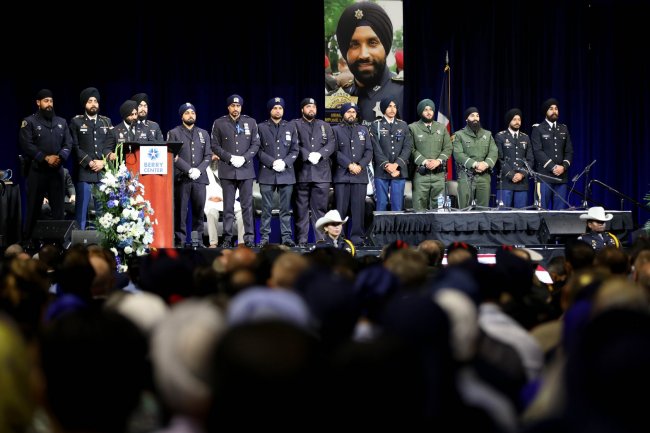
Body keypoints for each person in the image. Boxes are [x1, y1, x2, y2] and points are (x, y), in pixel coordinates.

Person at [335, 1, 402, 125]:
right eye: (354, 44)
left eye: (372, 43)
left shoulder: (403, 94)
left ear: (385, 48)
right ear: (345, 52)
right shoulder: (338, 96)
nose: (364, 54)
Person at [19, 89, 72, 240]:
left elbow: (68, 143)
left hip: (56, 171)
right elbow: (26, 144)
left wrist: (60, 157)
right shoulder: (29, 121)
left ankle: (58, 243)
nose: (49, 104)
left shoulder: (61, 122)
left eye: (51, 101)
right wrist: (45, 158)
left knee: (58, 210)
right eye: (46, 101)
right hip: (37, 171)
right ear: (38, 103)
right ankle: (29, 241)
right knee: (34, 209)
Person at [210, 94, 259, 248]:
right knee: (228, 207)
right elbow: (214, 145)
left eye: (238, 106)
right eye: (233, 106)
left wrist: (244, 158)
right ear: (228, 107)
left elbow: (256, 144)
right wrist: (230, 158)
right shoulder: (219, 123)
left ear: (241, 107)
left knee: (247, 206)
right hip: (228, 170)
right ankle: (227, 238)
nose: (235, 108)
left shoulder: (250, 122)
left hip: (245, 170)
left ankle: (249, 238)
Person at [292, 98, 335, 247]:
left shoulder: (324, 125)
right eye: (308, 106)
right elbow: (293, 144)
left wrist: (321, 154)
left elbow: (331, 143)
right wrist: (306, 154)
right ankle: (302, 241)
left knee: (320, 210)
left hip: (321, 174)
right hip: (302, 173)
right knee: (301, 210)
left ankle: (320, 240)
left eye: (314, 107)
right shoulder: (294, 124)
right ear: (302, 109)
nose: (311, 109)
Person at [168, 102, 212, 247]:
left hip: (200, 178)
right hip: (182, 178)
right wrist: (189, 169)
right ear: (182, 116)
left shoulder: (203, 133)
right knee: (181, 212)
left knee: (199, 211)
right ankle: (180, 240)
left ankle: (197, 240)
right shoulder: (174, 133)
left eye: (192, 112)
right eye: (187, 113)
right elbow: (172, 156)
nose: (190, 115)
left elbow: (208, 155)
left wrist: (198, 170)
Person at [69, 87, 114, 229]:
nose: (93, 104)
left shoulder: (106, 122)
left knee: (103, 212)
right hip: (85, 172)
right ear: (84, 104)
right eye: (90, 101)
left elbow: (110, 145)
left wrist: (103, 162)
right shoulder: (76, 122)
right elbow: (75, 147)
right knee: (82, 211)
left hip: (102, 172)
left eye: (95, 101)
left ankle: (102, 245)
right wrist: (89, 161)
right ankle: (79, 245)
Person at [257, 97, 299, 247]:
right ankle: (264, 238)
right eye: (275, 108)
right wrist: (272, 162)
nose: (278, 110)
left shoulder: (290, 126)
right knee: (266, 209)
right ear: (270, 110)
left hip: (286, 174)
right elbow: (258, 150)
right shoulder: (261, 127)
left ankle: (287, 237)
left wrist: (285, 162)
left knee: (285, 209)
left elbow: (295, 149)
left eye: (280, 108)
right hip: (267, 173)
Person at [332, 102, 372, 246]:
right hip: (342, 176)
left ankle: (357, 239)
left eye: (353, 112)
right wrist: (349, 165)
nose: (351, 114)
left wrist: (360, 165)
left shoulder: (363, 130)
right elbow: (334, 152)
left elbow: (369, 151)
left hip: (359, 176)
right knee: (340, 210)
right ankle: (339, 238)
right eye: (348, 112)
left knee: (358, 211)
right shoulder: (335, 129)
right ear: (343, 114)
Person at [408, 99, 453, 210]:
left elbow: (448, 147)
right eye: (425, 110)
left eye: (431, 109)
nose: (429, 112)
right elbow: (410, 149)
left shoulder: (441, 128)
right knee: (419, 209)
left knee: (439, 209)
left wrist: (438, 161)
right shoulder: (412, 128)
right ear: (420, 112)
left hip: (438, 175)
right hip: (420, 175)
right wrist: (424, 161)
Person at [370, 97, 412, 211]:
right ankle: (381, 229)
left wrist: (396, 165)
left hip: (399, 171)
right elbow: (375, 148)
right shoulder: (376, 125)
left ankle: (396, 229)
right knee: (381, 204)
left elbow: (407, 147)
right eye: (389, 106)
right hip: (382, 170)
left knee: (397, 205)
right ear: (383, 108)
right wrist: (387, 165)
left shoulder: (403, 125)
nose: (392, 109)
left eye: (394, 106)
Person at [531, 98, 573, 210]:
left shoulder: (563, 128)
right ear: (546, 111)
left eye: (556, 109)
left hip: (561, 177)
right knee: (542, 211)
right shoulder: (538, 129)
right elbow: (537, 151)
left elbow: (569, 151)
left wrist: (563, 167)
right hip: (545, 177)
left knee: (560, 212)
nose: (554, 111)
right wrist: (553, 167)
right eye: (551, 109)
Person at [453, 107, 498, 209]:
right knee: (465, 210)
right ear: (466, 119)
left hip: (484, 176)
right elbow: (458, 154)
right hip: (466, 176)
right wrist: (475, 164)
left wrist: (485, 164)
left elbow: (494, 152)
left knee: (483, 210)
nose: (475, 118)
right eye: (472, 116)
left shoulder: (487, 134)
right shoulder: (459, 135)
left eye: (477, 116)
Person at [495, 108, 533, 208]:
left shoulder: (525, 137)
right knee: (503, 215)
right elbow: (499, 159)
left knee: (521, 215)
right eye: (514, 119)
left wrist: (522, 174)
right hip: (506, 181)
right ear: (509, 121)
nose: (517, 122)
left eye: (519, 120)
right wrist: (511, 174)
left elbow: (530, 159)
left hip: (522, 182)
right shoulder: (500, 136)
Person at [204, 160, 245, 248]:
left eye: (217, 155)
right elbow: (205, 188)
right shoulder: (206, 169)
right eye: (213, 154)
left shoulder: (230, 168)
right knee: (211, 213)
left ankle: (242, 243)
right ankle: (213, 243)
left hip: (230, 200)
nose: (215, 157)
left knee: (242, 214)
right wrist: (212, 197)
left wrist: (223, 198)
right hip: (213, 201)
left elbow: (236, 190)